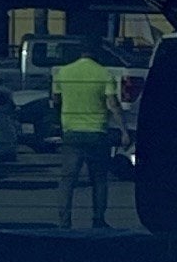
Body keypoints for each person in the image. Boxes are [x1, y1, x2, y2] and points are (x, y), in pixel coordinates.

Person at [50, 42, 123, 227]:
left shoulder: (63, 73)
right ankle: (98, 219)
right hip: (97, 133)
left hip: (71, 132)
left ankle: (64, 221)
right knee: (99, 179)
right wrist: (123, 130)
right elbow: (113, 104)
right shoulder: (104, 73)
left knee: (67, 180)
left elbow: (56, 100)